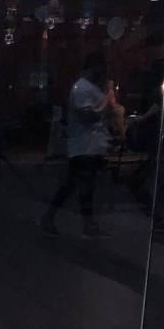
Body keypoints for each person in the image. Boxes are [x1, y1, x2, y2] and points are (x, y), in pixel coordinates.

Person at [41, 52, 115, 239]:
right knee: (80, 185)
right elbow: (87, 115)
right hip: (84, 146)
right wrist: (105, 103)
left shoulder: (88, 88)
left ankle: (56, 218)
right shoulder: (83, 88)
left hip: (88, 146)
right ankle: (84, 224)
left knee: (75, 184)